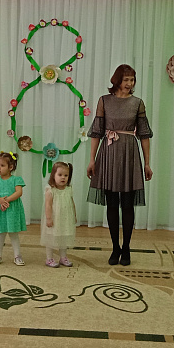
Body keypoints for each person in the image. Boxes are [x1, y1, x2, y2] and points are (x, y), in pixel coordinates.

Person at [86, 64, 153, 266]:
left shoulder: (137, 103)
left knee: (128, 204)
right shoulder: (104, 101)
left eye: (132, 79)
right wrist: (92, 159)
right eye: (126, 80)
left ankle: (126, 248)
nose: (129, 83)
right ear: (117, 80)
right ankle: (115, 247)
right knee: (112, 204)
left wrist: (147, 163)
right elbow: (97, 132)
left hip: (130, 154)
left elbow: (144, 135)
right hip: (108, 154)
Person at [0, 152, 27, 266]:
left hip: (12, 210)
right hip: (0, 210)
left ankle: (17, 256)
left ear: (10, 167)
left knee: (13, 233)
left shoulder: (16, 179)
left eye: (2, 165)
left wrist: (7, 200)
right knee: (0, 233)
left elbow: (19, 192)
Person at [41, 161, 77, 268]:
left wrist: (74, 215)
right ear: (53, 175)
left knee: (63, 237)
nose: (63, 177)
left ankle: (63, 257)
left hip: (65, 218)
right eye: (60, 175)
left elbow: (72, 202)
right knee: (51, 238)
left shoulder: (69, 189)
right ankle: (49, 258)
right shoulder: (50, 190)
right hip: (54, 218)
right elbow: (48, 205)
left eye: (66, 175)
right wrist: (48, 218)